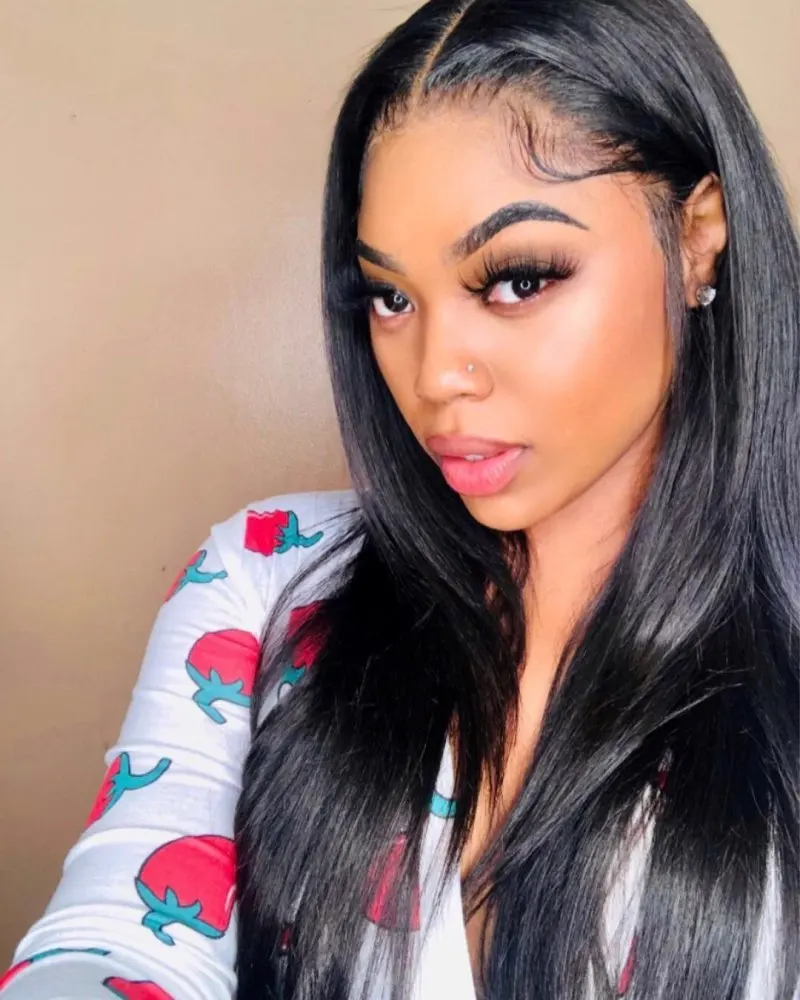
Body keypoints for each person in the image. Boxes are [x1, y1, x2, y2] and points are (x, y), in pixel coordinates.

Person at [3, 0, 798, 997]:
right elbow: (116, 937)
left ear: (697, 237)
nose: (432, 375)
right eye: (390, 297)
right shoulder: (266, 579)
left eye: (516, 279)